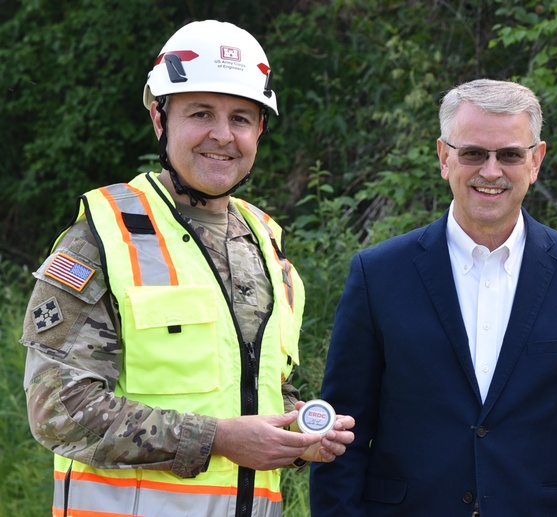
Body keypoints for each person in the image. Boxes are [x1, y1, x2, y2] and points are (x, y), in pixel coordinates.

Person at [20, 20, 355, 517]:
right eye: (201, 113)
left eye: (241, 118)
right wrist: (217, 439)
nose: (223, 135)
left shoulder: (263, 243)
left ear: (260, 129)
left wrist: (295, 434)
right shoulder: (104, 236)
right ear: (160, 119)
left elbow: (257, 389)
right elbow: (58, 410)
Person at [309, 78, 557, 516]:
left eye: (509, 154)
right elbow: (342, 437)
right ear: (444, 157)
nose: (491, 171)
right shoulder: (378, 275)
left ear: (536, 161)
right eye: (473, 153)